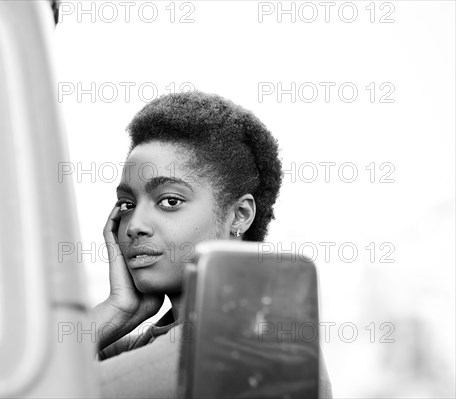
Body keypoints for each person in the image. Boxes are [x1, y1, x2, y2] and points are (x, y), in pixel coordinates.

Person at [89, 90, 332, 398]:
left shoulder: (241, 343)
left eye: (170, 200)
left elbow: (37, 387)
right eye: (126, 204)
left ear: (240, 215)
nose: (135, 225)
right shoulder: (149, 343)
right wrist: (118, 309)